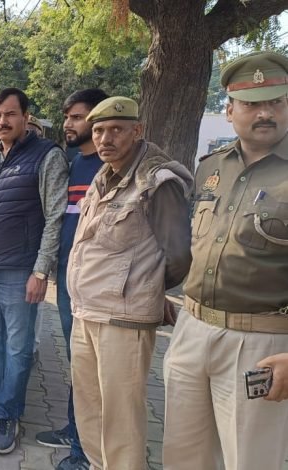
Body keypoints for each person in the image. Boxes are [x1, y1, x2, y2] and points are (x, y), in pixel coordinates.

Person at [163, 51, 288, 470]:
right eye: (252, 103)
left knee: (251, 460)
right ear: (230, 110)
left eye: (276, 102)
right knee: (183, 455)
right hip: (192, 328)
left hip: (261, 343)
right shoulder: (211, 168)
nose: (265, 113)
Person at [67, 96, 192, 469]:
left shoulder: (157, 181)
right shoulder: (105, 174)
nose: (105, 139)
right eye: (99, 130)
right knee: (90, 410)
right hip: (87, 310)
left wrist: (149, 287)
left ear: (137, 130)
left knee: (120, 421)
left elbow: (179, 255)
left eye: (116, 130)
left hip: (123, 319)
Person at [0, 88, 69, 455]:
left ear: (25, 117)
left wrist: (41, 271)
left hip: (19, 270)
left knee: (17, 347)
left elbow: (54, 217)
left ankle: (8, 414)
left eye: (10, 114)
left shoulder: (47, 156)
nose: (2, 121)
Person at [35, 88, 109, 470]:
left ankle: (85, 452)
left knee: (93, 368)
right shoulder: (71, 163)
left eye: (77, 117)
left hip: (98, 284)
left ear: (97, 119)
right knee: (76, 361)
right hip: (66, 277)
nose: (68, 124)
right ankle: (74, 429)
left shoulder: (110, 167)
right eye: (67, 117)